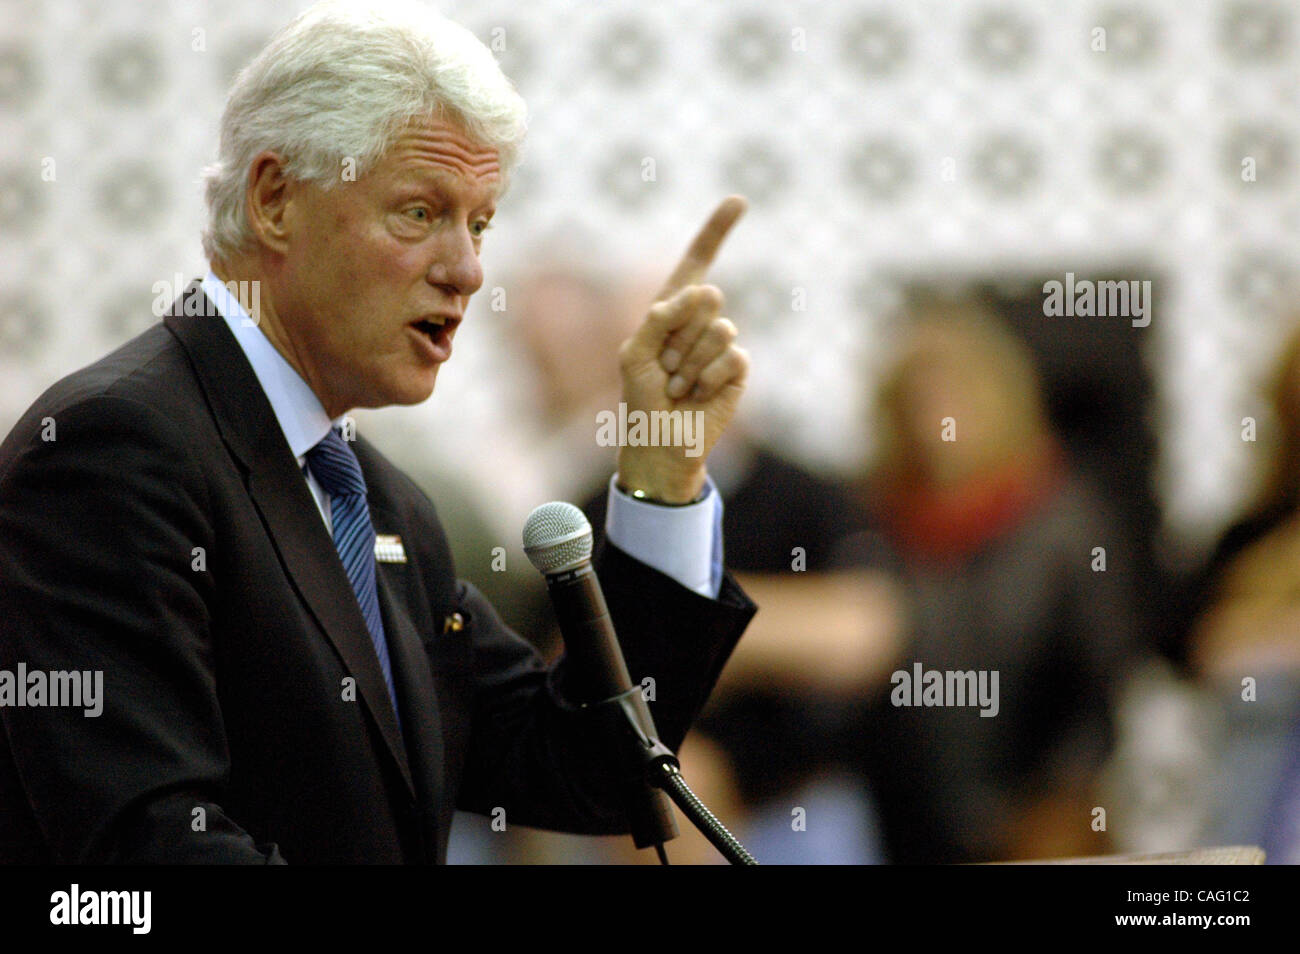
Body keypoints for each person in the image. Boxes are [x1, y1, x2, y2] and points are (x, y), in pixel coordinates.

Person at [0, 1, 755, 864]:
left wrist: (663, 478)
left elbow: (583, 767)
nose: (468, 270)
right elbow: (146, 847)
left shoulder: (386, 506)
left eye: (479, 222)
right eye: (420, 212)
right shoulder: (112, 451)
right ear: (276, 200)